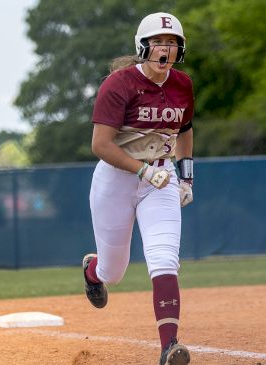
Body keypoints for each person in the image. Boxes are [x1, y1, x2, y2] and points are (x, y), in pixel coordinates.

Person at [82, 12, 194, 365]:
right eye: (160, 42)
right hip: (118, 177)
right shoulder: (119, 84)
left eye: (173, 43)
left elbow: (186, 129)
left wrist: (186, 177)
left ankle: (169, 346)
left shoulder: (182, 84)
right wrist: (144, 171)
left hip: (161, 177)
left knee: (164, 258)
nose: (167, 49)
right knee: (113, 271)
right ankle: (92, 271)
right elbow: (101, 145)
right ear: (143, 47)